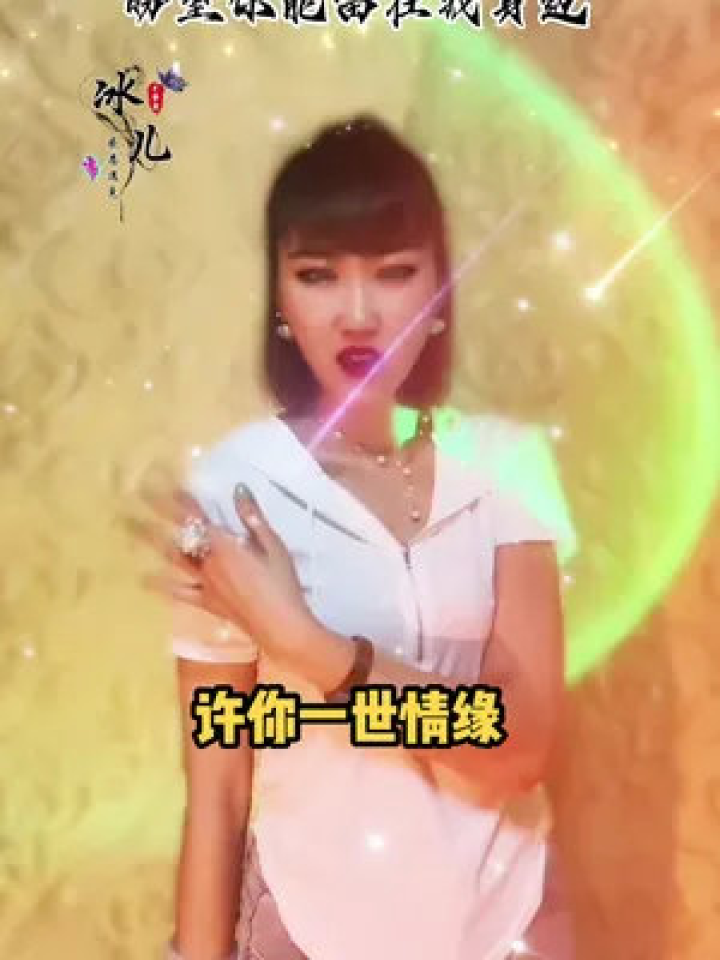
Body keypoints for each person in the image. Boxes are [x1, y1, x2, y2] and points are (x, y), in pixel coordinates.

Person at [139, 114, 577, 960]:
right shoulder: (235, 492)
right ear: (280, 297)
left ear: (440, 293)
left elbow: (519, 745)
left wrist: (313, 649)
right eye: (318, 276)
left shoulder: (506, 466)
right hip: (308, 929)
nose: (359, 313)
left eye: (395, 272)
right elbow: (218, 793)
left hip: (509, 925)